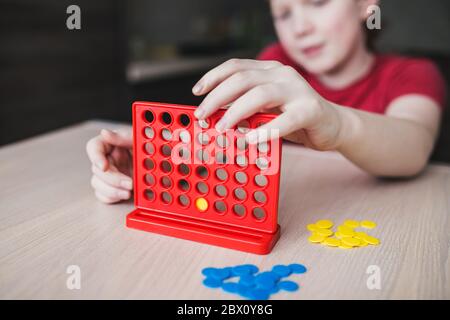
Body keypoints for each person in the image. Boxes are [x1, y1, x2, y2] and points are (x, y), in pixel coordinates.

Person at [86, 0, 446, 203]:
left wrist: (335, 123)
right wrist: (158, 162)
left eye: (318, 2)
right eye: (284, 13)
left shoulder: (413, 73)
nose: (300, 27)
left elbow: (413, 147)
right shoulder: (277, 64)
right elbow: (227, 139)